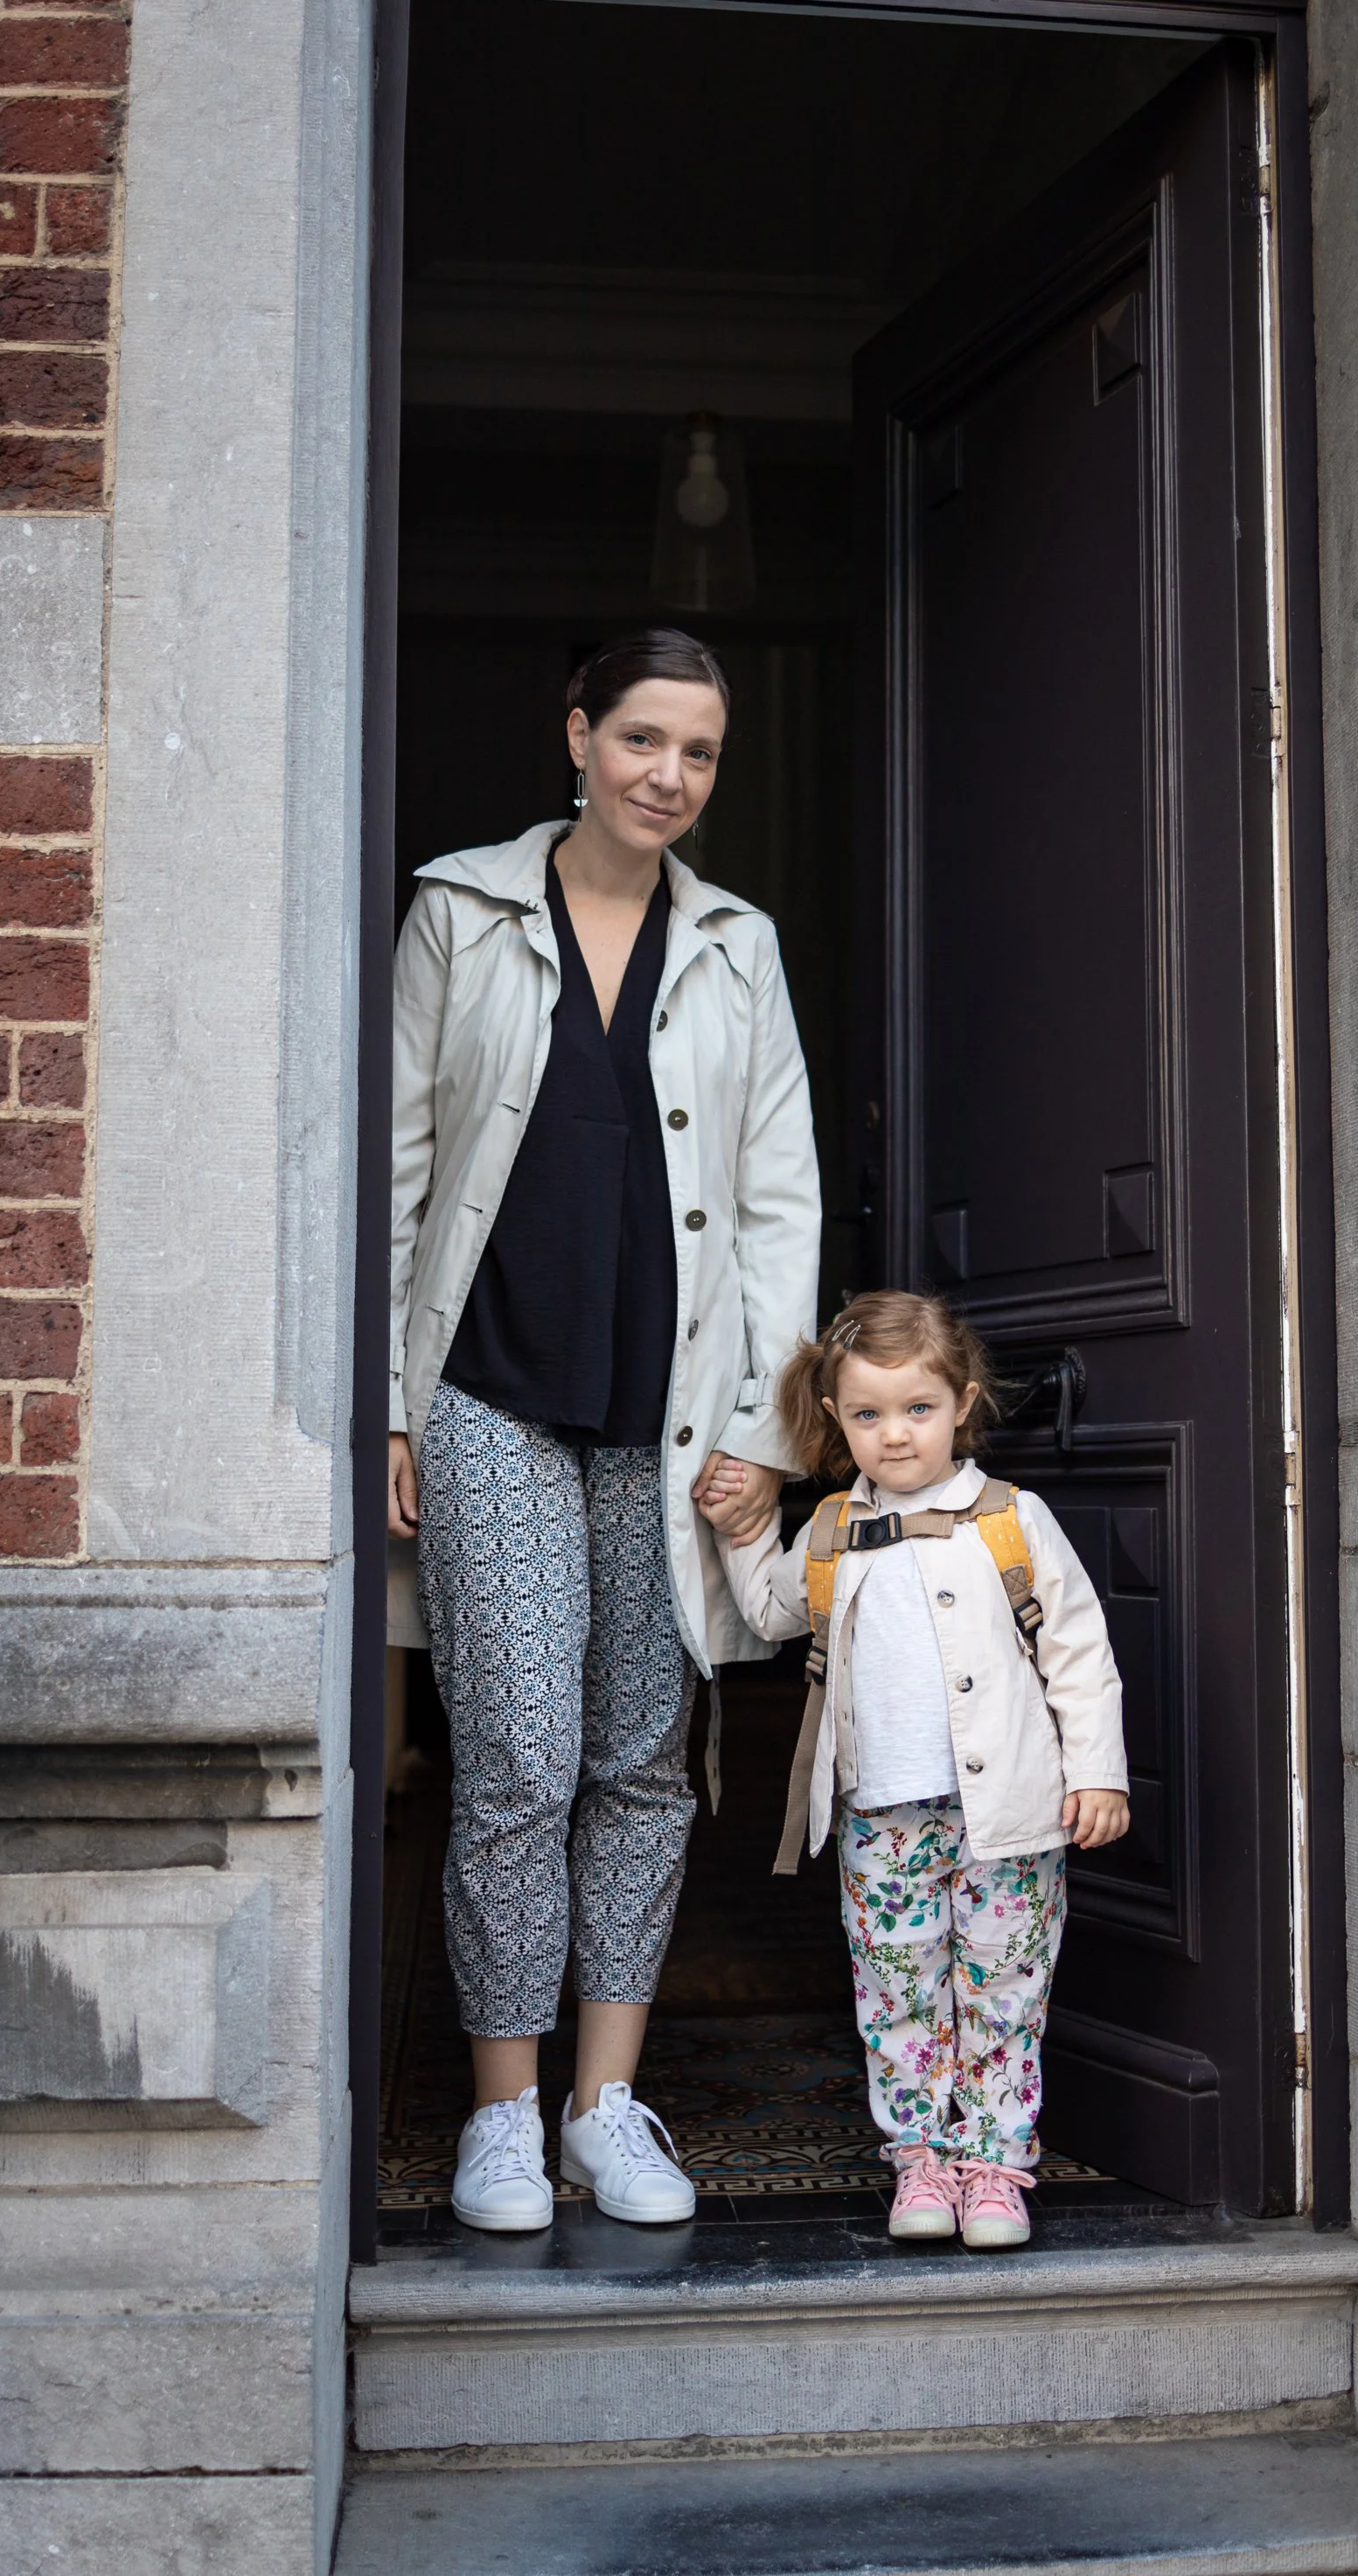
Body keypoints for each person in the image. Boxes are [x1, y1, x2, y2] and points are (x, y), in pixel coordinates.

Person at [387, 629, 819, 2233]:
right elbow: (396, 1165)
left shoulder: (740, 947)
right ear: (578, 737)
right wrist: (387, 1402)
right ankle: (502, 2113)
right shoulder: (461, 911)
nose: (669, 775)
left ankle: (601, 2109)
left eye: (699, 752)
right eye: (643, 739)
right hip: (484, 1394)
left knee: (641, 1763)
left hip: (675, 1421)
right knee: (517, 1758)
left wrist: (771, 1432)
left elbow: (779, 1202)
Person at [707, 1290, 1128, 2249]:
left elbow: (1077, 1651)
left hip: (1008, 1816)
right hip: (880, 1819)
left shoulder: (1010, 1520)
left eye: (918, 1409)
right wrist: (742, 1530)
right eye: (867, 1414)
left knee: (1003, 1994)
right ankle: (922, 2163)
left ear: (961, 1404)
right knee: (896, 1995)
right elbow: (770, 1611)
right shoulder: (829, 1530)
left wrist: (1097, 1774)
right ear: (835, 1418)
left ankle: (994, 2168)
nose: (894, 1434)